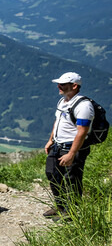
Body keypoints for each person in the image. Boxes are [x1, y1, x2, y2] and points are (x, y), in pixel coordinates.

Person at [43, 72, 94, 218]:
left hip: (73, 147)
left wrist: (72, 153)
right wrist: (51, 139)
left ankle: (71, 212)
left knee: (72, 179)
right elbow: (58, 122)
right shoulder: (63, 102)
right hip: (57, 145)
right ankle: (59, 206)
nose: (58, 86)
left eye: (62, 85)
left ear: (74, 86)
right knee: (52, 173)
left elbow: (82, 132)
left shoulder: (84, 105)